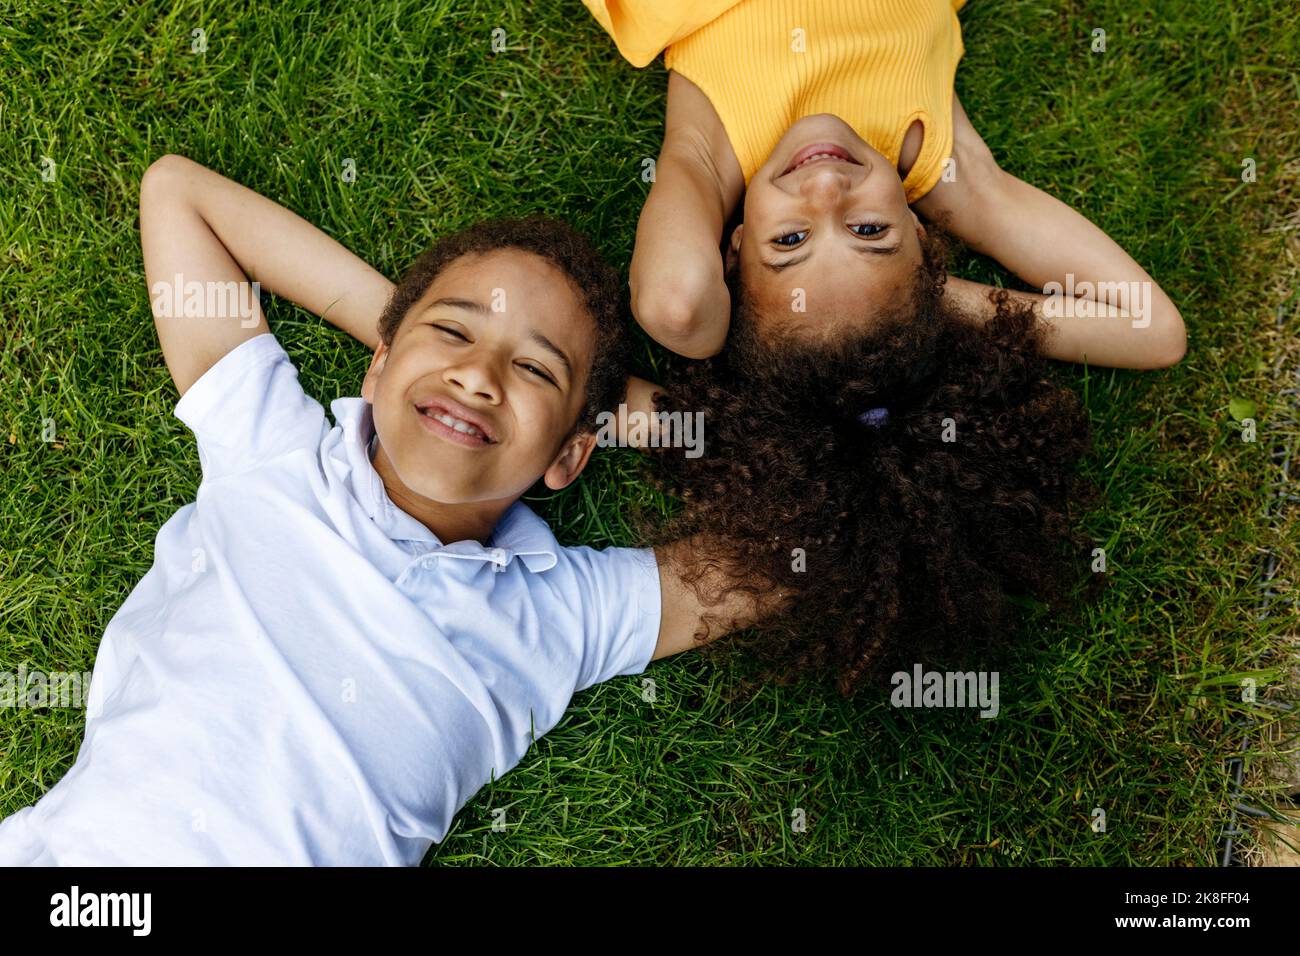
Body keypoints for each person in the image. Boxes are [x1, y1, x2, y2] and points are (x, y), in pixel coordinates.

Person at [0, 154, 767, 866]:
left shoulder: (561, 615)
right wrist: (407, 338)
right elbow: (178, 193)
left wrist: (633, 419)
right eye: (454, 330)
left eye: (534, 367)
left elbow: (797, 550)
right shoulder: (274, 448)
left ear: (569, 456)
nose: (476, 374)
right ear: (378, 363)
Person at [582, 0, 1186, 369]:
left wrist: (893, 293)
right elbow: (1152, 330)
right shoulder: (937, 164)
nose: (824, 189)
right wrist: (914, 300)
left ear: (734, 247)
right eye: (869, 231)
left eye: (790, 241)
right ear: (921, 236)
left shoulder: (711, 156)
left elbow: (677, 305)